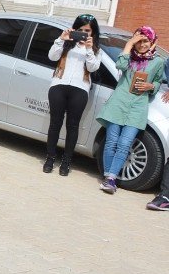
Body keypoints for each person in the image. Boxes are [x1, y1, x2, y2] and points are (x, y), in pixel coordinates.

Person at [97, 26, 165, 194]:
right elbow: (119, 65)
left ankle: (110, 178)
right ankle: (109, 178)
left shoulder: (158, 62)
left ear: (153, 42)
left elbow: (158, 82)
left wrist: (150, 86)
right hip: (118, 103)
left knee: (125, 143)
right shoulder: (128, 58)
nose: (142, 45)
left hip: (137, 107)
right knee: (111, 141)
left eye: (146, 41)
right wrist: (129, 45)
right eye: (139, 41)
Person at [42, 14, 102, 176]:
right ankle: (50, 158)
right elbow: (52, 56)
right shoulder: (67, 44)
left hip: (80, 89)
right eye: (80, 29)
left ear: (93, 33)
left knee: (72, 126)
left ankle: (66, 161)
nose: (83, 33)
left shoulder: (96, 50)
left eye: (87, 30)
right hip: (58, 85)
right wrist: (62, 39)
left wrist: (89, 49)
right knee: (55, 123)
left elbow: (92, 68)